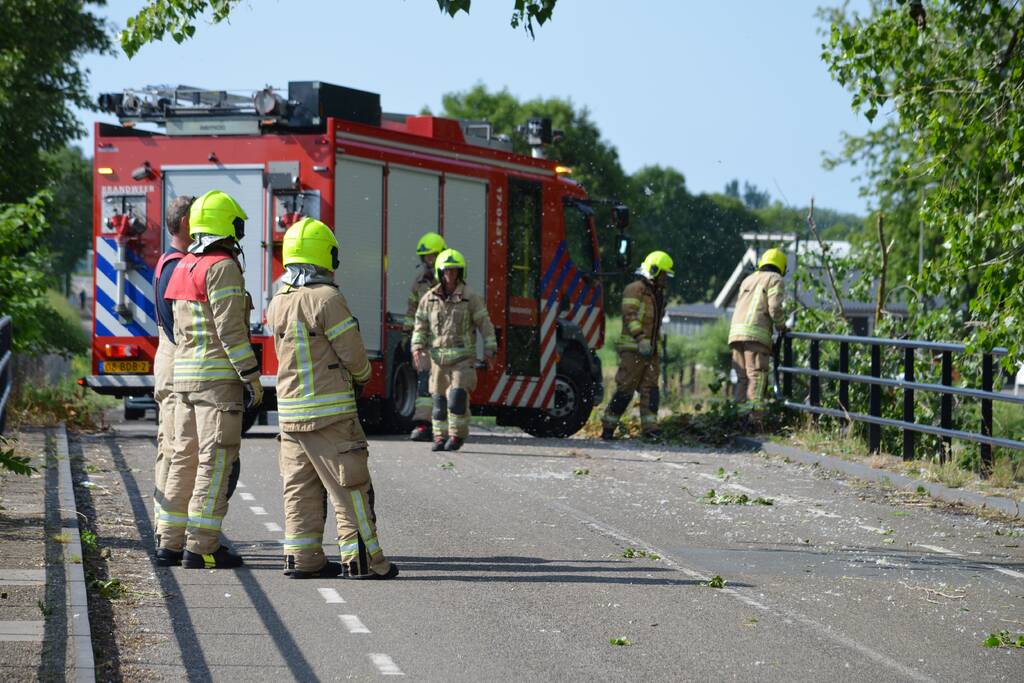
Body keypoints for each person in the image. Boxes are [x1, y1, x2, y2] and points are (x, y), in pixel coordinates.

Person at [266, 217, 398, 579]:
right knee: (350, 485)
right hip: (330, 415)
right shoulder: (327, 299)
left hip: (290, 415)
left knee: (300, 488)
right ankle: (364, 561)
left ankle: (303, 558)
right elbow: (353, 355)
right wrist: (364, 377)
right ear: (325, 255)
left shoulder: (277, 302)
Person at [156, 190, 262, 569]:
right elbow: (231, 332)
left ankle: (169, 542)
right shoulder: (223, 267)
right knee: (214, 462)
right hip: (216, 384)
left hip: (182, 380)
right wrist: (252, 379)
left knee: (182, 458)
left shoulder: (185, 265)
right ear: (226, 224)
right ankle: (201, 546)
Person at [411, 248, 496, 451]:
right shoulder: (429, 299)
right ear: (441, 272)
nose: (450, 275)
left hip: (462, 359)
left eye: (454, 271)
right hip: (438, 360)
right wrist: (417, 347)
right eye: (447, 271)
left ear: (460, 273)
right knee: (438, 402)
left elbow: (485, 323)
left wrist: (490, 349)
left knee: (456, 400)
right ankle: (440, 438)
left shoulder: (470, 297)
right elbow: (420, 324)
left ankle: (457, 437)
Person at [152, 196, 198, 559]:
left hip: (166, 359)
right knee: (176, 449)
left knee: (170, 447)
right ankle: (168, 533)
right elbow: (177, 325)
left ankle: (167, 529)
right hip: (174, 360)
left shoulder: (168, 262)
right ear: (184, 222)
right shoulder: (178, 266)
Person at [601, 250, 673, 441]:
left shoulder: (656, 293)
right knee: (625, 389)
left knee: (651, 389)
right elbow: (629, 315)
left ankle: (650, 428)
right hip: (633, 349)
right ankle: (608, 427)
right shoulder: (634, 289)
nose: (666, 278)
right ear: (655, 270)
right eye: (664, 274)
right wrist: (640, 338)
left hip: (650, 350)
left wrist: (651, 344)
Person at [728, 247, 787, 407]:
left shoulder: (749, 279)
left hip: (736, 334)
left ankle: (739, 417)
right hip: (755, 336)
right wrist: (782, 327)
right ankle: (754, 418)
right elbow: (774, 308)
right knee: (757, 376)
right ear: (782, 267)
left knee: (742, 378)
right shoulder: (775, 279)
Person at [404, 231, 446, 442]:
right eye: (425, 257)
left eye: (432, 256)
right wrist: (408, 335)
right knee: (423, 384)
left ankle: (443, 427)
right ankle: (423, 425)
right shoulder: (419, 282)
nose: (428, 261)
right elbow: (413, 310)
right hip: (426, 343)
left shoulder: (450, 280)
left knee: (445, 385)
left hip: (446, 343)